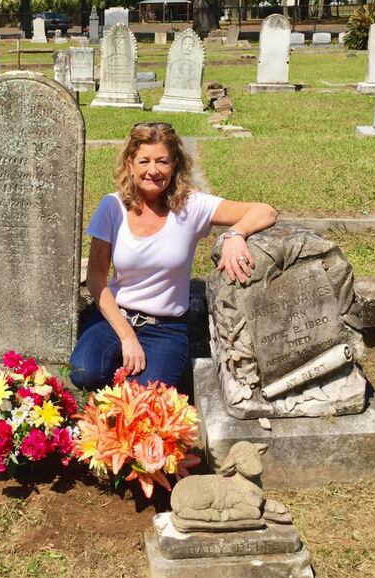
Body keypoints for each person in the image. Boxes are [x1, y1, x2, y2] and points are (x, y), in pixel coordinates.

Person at [70, 123, 277, 391]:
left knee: (145, 398)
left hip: (165, 327)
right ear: (130, 164)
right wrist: (127, 337)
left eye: (162, 161)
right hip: (116, 318)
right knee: (84, 372)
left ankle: (136, 382)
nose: (153, 170)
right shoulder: (112, 206)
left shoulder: (192, 206)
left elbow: (265, 211)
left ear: (175, 164)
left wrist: (235, 234)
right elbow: (96, 278)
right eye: (144, 161)